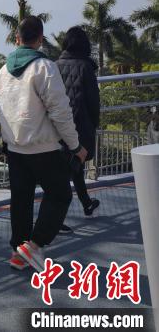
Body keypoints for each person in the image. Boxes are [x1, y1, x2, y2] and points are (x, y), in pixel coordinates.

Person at [0, 16, 88, 272]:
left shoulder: (3, 71)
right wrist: (75, 145)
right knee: (59, 195)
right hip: (43, 148)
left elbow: (2, 111)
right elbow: (60, 111)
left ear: (17, 39)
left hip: (15, 148)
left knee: (21, 200)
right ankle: (33, 246)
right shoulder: (44, 67)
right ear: (40, 39)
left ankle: (19, 250)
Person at [56, 27, 101, 219]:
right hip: (79, 125)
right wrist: (93, 124)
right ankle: (55, 219)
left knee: (73, 166)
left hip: (57, 125)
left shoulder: (54, 65)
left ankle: (86, 203)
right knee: (71, 168)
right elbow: (93, 101)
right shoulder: (85, 67)